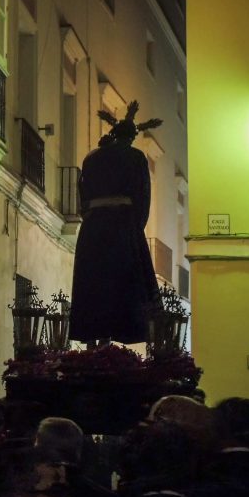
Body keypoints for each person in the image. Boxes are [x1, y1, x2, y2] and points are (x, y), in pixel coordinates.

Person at [69, 101, 162, 345]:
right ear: (130, 138)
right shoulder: (136, 158)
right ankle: (112, 338)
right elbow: (143, 195)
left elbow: (82, 192)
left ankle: (93, 339)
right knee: (124, 284)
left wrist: (90, 217)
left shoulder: (92, 158)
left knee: (93, 282)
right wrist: (135, 228)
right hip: (122, 225)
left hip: (93, 228)